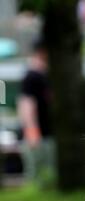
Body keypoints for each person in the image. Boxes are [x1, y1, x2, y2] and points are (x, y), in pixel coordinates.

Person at [18, 39, 55, 184]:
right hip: (39, 135)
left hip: (46, 133)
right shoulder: (32, 76)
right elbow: (26, 104)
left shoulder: (44, 75)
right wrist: (32, 130)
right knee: (36, 175)